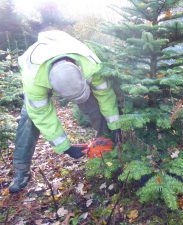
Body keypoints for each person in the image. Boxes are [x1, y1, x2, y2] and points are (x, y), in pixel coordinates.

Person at [9, 30, 122, 193]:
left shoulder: (90, 64)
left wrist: (115, 124)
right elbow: (41, 114)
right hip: (40, 75)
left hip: (73, 64)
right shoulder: (33, 79)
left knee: (96, 106)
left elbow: (105, 94)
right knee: (28, 120)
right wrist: (65, 147)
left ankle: (106, 146)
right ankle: (21, 172)